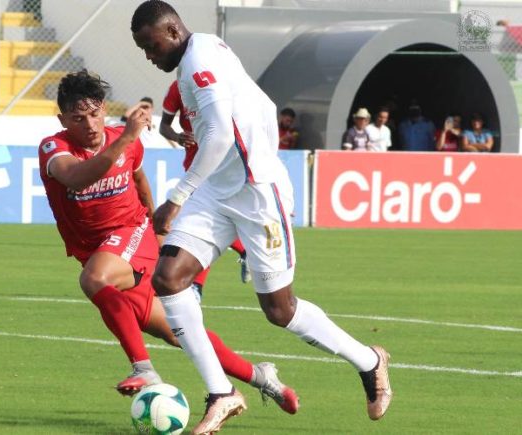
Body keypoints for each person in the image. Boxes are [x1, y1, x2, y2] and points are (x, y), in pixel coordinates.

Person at [131, 2, 392, 434]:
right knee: (168, 277)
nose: (148, 55)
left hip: (255, 194)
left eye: (150, 45)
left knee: (280, 310)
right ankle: (222, 393)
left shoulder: (198, 63)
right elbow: (259, 107)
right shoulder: (203, 49)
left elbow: (216, 134)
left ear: (173, 31)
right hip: (218, 190)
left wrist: (176, 197)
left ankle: (369, 361)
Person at [37, 70, 299, 415]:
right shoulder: (54, 147)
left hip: (130, 235)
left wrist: (156, 222)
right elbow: (75, 176)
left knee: (94, 279)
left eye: (95, 113)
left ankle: (143, 370)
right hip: (105, 251)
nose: (89, 124)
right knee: (182, 333)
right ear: (62, 120)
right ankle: (262, 377)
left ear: (103, 110)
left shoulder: (125, 140)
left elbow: (139, 180)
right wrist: (126, 138)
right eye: (78, 118)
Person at [159, 79, 252, 293]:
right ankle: (241, 252)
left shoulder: (219, 86)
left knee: (199, 225)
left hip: (225, 164)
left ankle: (197, 287)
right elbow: (164, 126)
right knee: (201, 225)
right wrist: (178, 136)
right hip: (195, 166)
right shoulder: (176, 88)